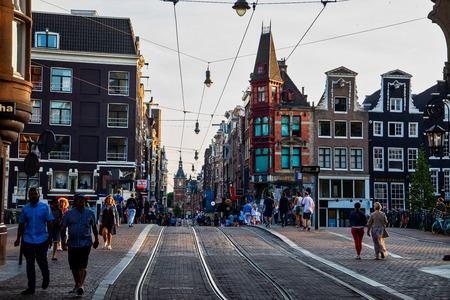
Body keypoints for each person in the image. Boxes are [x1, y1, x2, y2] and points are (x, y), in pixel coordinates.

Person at [14, 187, 53, 295]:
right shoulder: (25, 209)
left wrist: (50, 237)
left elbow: (50, 223)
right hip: (28, 239)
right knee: (30, 264)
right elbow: (21, 224)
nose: (33, 196)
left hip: (42, 239)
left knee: (42, 261)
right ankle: (31, 287)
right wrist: (18, 238)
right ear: (28, 196)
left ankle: (46, 275)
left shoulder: (45, 207)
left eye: (35, 194)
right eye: (31, 194)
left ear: (39, 195)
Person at [60, 193, 99, 296]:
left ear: (85, 202)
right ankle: (77, 284)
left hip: (85, 243)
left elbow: (94, 227)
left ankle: (81, 285)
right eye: (79, 199)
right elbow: (63, 227)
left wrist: (96, 240)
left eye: (83, 199)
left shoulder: (90, 213)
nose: (81, 201)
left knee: (82, 264)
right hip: (72, 243)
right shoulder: (69, 214)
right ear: (75, 201)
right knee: (74, 265)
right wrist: (63, 241)